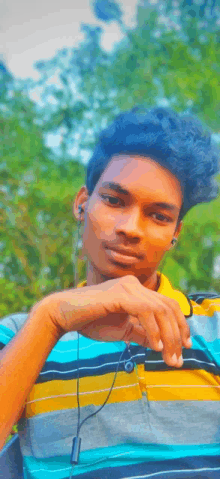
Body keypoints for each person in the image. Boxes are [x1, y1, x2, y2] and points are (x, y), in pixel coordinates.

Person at [0, 106, 220, 479]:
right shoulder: (21, 334)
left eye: (159, 216)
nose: (131, 228)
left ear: (175, 234)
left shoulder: (212, 323)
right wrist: (51, 318)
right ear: (82, 203)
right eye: (115, 201)